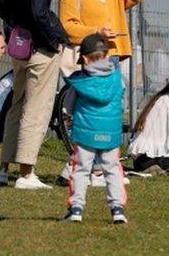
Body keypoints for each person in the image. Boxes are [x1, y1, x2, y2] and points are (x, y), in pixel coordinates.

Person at [0, 0, 70, 190]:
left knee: (17, 104)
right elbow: (39, 12)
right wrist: (55, 38)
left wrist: (13, 24)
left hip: (20, 48)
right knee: (37, 108)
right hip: (39, 49)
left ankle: (4, 168)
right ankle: (26, 172)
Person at [59, 0, 148, 89]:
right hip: (89, 56)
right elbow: (67, 26)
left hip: (112, 54)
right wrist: (96, 32)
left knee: (113, 100)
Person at [63, 34, 128, 224]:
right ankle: (117, 209)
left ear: (83, 58)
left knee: (81, 169)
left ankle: (76, 208)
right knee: (113, 169)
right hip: (111, 133)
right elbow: (121, 100)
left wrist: (68, 116)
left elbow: (68, 106)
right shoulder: (118, 78)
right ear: (108, 56)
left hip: (84, 132)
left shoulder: (80, 81)